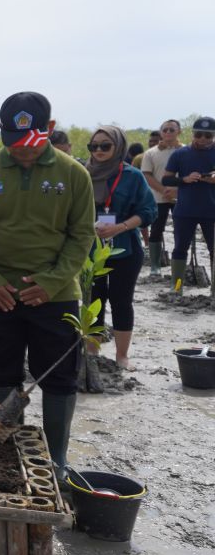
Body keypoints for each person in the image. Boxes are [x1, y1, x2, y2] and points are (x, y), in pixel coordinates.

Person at [0, 92, 94, 479]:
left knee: (60, 378)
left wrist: (52, 283)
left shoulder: (73, 174)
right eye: (13, 144)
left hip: (55, 296)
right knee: (1, 371)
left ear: (48, 130)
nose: (22, 152)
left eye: (30, 143)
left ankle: (57, 461)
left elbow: (81, 235)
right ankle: (5, 452)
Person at [83, 127, 155, 371]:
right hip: (89, 250)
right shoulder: (81, 173)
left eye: (105, 146)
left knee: (121, 301)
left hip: (125, 247)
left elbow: (148, 212)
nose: (99, 151)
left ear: (119, 147)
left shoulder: (132, 176)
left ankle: (122, 355)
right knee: (94, 301)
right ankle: (91, 351)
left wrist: (121, 227)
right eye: (94, 146)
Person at [161, 116, 215, 289]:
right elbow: (166, 180)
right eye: (199, 135)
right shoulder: (180, 154)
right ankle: (177, 289)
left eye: (208, 136)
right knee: (179, 250)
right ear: (192, 134)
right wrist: (185, 179)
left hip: (211, 210)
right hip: (185, 210)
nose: (203, 139)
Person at [140, 120, 182, 276]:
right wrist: (164, 189)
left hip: (181, 197)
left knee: (180, 231)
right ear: (161, 132)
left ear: (179, 131)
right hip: (158, 197)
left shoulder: (186, 151)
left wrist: (177, 191)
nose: (168, 132)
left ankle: (177, 266)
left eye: (172, 129)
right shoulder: (151, 153)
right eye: (165, 130)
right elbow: (146, 174)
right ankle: (155, 266)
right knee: (156, 230)